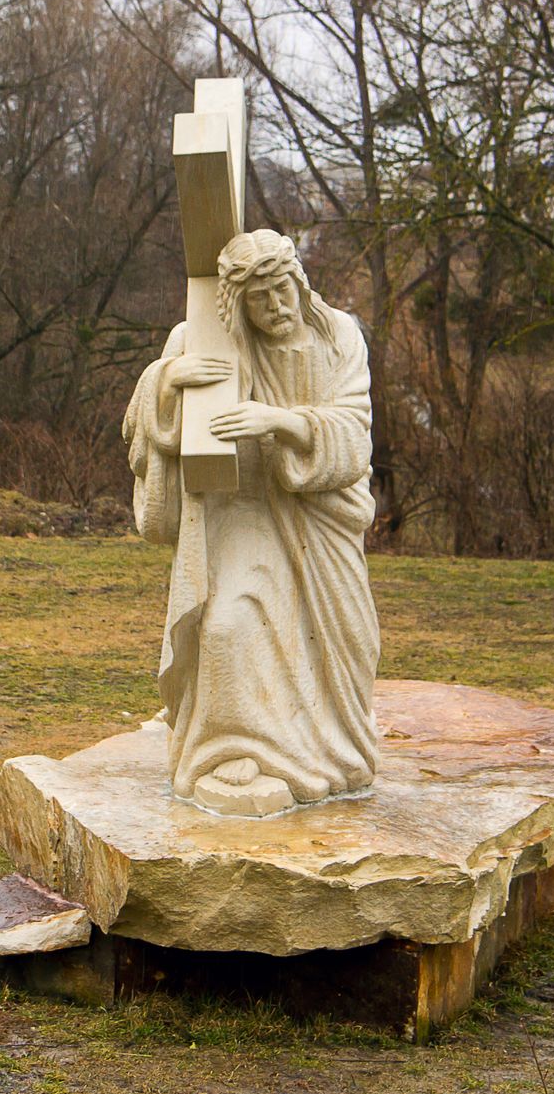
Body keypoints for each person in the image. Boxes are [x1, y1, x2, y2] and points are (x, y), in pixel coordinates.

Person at [122, 229, 379, 814]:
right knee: (228, 624)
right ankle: (229, 753)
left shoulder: (339, 335)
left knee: (342, 646)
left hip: (319, 516)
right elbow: (145, 416)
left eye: (284, 290)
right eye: (260, 298)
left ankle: (328, 752)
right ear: (238, 303)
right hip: (242, 509)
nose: (278, 307)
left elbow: (353, 436)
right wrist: (166, 383)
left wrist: (281, 422)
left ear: (301, 284)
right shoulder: (202, 337)